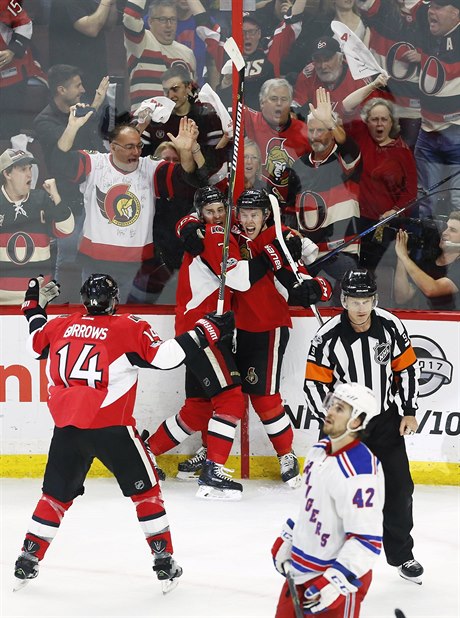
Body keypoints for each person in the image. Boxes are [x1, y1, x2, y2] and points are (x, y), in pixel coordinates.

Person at [13, 272, 234, 590]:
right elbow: (166, 358)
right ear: (113, 300)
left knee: (54, 498)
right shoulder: (127, 327)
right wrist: (207, 330)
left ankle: (28, 557)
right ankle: (163, 560)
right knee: (147, 493)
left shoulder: (60, 324)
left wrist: (34, 305)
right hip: (113, 430)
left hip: (67, 431)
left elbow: (35, 343)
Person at [147, 185, 307, 495]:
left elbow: (285, 239)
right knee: (231, 399)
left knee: (197, 408)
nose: (217, 216)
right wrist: (271, 258)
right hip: (204, 329)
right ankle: (213, 470)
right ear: (200, 213)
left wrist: (291, 243)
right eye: (209, 212)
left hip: (204, 329)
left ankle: (147, 452)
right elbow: (239, 279)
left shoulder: (225, 229)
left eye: (221, 210)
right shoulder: (216, 234)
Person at [304, 267, 424, 584]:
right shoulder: (326, 337)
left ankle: (402, 555)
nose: (360, 307)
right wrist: (335, 425)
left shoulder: (391, 326)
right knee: (337, 495)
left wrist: (409, 410)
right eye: (354, 300)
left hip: (384, 422)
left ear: (374, 299)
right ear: (343, 300)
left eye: (366, 300)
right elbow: (314, 386)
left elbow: (407, 369)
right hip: (345, 429)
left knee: (400, 488)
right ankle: (332, 556)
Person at [50, 110, 205, 303]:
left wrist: (186, 152)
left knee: (126, 323)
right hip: (95, 262)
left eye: (139, 146)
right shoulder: (95, 164)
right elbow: (60, 163)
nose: (136, 152)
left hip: (136, 266)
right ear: (113, 147)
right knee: (96, 318)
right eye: (130, 147)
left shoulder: (150, 167)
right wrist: (72, 128)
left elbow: (187, 180)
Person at [271, 382, 384, 617]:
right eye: (332, 404)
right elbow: (310, 504)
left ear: (357, 421)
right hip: (300, 572)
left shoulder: (359, 472)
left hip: (334, 583)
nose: (330, 411)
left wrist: (335, 583)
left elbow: (366, 540)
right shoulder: (319, 451)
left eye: (340, 409)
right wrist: (289, 538)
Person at [33, 65, 110, 300]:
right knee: (67, 258)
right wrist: (81, 118)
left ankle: (93, 305)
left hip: (92, 194)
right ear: (61, 89)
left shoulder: (79, 110)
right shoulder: (44, 121)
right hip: (66, 199)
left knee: (93, 255)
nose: (82, 90)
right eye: (77, 85)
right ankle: (58, 308)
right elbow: (63, 146)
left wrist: (95, 105)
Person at [289, 88, 361, 303]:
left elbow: (349, 146)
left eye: (321, 130)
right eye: (311, 130)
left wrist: (331, 122)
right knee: (294, 296)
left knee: (347, 297)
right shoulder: (298, 166)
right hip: (308, 251)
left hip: (341, 250)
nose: (315, 136)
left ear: (331, 132)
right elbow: (290, 212)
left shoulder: (344, 160)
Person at [343, 97, 418, 272]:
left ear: (392, 122)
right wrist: (374, 85)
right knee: (347, 266)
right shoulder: (361, 137)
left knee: (367, 269)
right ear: (366, 122)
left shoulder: (402, 152)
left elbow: (411, 192)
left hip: (382, 222)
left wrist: (395, 210)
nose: (379, 124)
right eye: (374, 119)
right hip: (353, 217)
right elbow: (347, 108)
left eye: (384, 119)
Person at [0, 148, 74, 304]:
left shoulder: (41, 198)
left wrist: (55, 195)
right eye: (22, 169)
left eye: (30, 168)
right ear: (7, 174)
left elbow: (66, 229)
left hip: (38, 298)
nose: (29, 174)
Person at [244, 78, 310, 206]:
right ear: (262, 102)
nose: (279, 103)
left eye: (284, 99)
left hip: (291, 208)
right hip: (253, 207)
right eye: (273, 99)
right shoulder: (248, 119)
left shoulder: (305, 133)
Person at [123, 0, 197, 112]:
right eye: (162, 19)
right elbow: (129, 17)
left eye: (173, 20)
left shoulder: (187, 54)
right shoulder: (140, 42)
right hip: (145, 123)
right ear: (150, 21)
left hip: (176, 124)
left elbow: (191, 96)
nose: (169, 25)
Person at [48, 0, 118, 95]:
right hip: (72, 79)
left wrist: (111, 3)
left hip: (96, 74)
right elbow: (91, 28)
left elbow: (110, 24)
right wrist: (106, 1)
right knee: (80, 109)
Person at [394, 212, 460, 310]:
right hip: (422, 320)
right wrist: (401, 257)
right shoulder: (428, 261)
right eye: (446, 228)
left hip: (449, 322)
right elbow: (402, 297)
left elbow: (432, 289)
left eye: (452, 230)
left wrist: (404, 257)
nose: (445, 233)